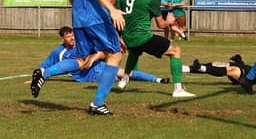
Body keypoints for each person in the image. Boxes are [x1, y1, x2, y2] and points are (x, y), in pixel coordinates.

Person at [118, 0, 195, 98]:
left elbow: (122, 13)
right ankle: (178, 89)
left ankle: (124, 79)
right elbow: (161, 25)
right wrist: (170, 21)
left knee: (135, 51)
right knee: (175, 50)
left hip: (128, 36)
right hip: (142, 36)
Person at [28, 26, 169, 90]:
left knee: (124, 72)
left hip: (97, 67)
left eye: (72, 35)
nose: (72, 38)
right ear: (63, 39)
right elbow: (45, 65)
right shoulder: (59, 52)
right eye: (68, 37)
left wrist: (94, 58)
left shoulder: (83, 43)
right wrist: (38, 77)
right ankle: (111, 80)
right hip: (86, 77)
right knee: (109, 78)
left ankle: (158, 79)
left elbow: (103, 53)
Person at [188, 54, 256, 86]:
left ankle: (200, 67)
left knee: (230, 70)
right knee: (218, 63)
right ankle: (189, 68)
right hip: (251, 71)